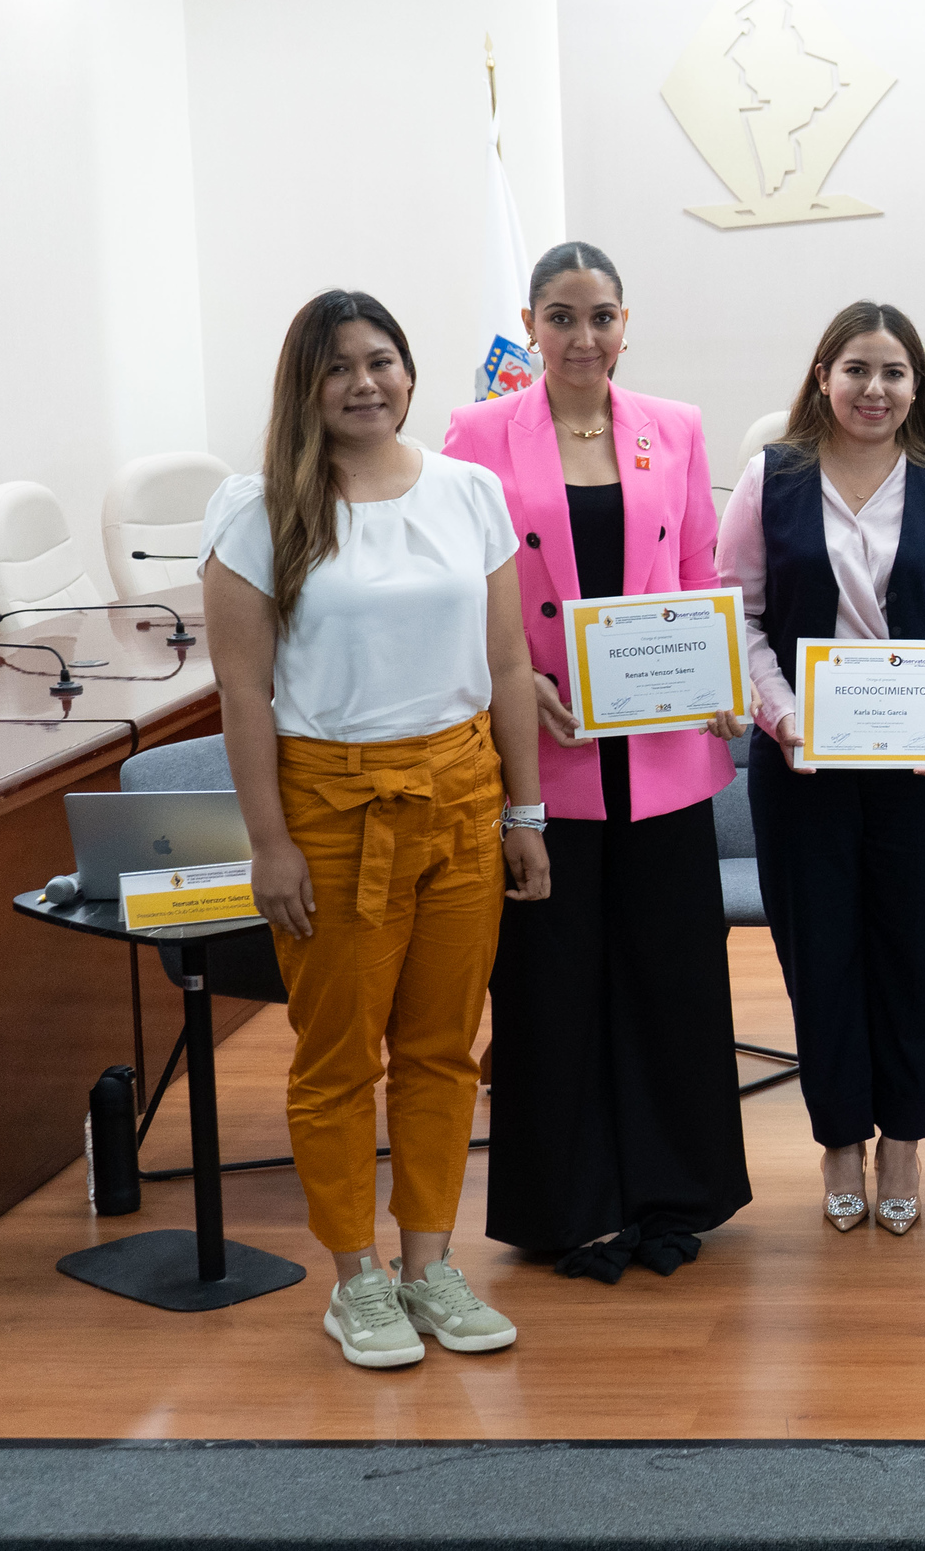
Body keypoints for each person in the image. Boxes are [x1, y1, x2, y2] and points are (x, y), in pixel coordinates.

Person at [200, 289, 549, 1369]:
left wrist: (523, 811)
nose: (365, 382)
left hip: (458, 793)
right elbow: (243, 697)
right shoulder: (255, 512)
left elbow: (504, 666)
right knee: (339, 1056)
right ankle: (355, 1276)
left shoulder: (470, 491)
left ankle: (428, 1263)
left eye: (383, 360)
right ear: (305, 384)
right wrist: (270, 844)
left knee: (443, 1049)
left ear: (409, 372)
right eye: (339, 365)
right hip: (330, 804)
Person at [442, 240, 753, 1283]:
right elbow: (457, 588)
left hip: (661, 750)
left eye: (602, 316)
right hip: (546, 751)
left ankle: (676, 1191)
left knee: (669, 977)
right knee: (554, 985)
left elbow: (701, 565)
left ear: (628, 324)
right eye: (563, 317)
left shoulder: (678, 427)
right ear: (530, 324)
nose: (584, 337)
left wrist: (717, 671)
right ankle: (567, 1204)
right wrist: (506, 682)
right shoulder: (477, 435)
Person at [718, 300, 925, 1236]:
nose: (873, 389)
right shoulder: (771, 478)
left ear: (916, 386)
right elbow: (740, 613)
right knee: (821, 953)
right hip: (801, 763)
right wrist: (784, 715)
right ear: (821, 378)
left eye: (893, 373)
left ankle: (905, 1137)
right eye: (856, 370)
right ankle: (840, 1136)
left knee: (921, 952)